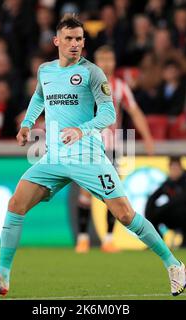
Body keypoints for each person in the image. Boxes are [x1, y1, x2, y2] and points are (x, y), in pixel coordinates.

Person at [0, 14, 186, 297]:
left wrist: (82, 130)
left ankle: (173, 264)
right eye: (69, 39)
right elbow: (39, 97)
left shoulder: (93, 73)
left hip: (88, 155)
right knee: (16, 204)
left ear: (84, 43)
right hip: (54, 157)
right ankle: (2, 275)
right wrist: (26, 124)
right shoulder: (45, 71)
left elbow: (109, 113)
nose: (75, 44)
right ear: (56, 41)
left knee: (124, 214)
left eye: (79, 39)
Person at [74, 45, 155, 254]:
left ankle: (108, 239)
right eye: (103, 59)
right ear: (96, 62)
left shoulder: (119, 86)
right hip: (88, 145)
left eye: (110, 59)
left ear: (114, 62)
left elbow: (135, 111)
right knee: (85, 191)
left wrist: (147, 137)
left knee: (113, 193)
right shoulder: (84, 84)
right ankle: (82, 238)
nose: (107, 63)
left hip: (112, 148)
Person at [144, 157, 186, 247]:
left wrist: (163, 208)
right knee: (153, 213)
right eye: (172, 169)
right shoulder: (168, 183)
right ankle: (157, 243)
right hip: (173, 217)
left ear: (181, 169)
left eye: (176, 169)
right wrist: (149, 211)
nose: (174, 171)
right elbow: (153, 197)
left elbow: (184, 199)